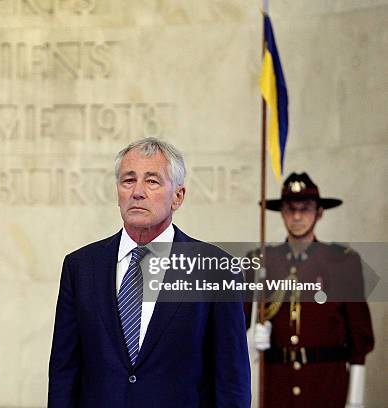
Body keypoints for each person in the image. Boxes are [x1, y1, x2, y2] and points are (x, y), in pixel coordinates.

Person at [48, 137, 251, 407]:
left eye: (152, 181)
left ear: (178, 196)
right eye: (128, 180)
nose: (137, 192)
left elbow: (232, 380)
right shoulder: (81, 267)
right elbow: (64, 372)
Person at [251, 172, 374, 407]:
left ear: (319, 211)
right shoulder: (261, 261)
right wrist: (251, 341)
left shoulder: (342, 262)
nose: (297, 216)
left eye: (305, 208)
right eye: (290, 208)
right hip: (277, 389)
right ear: (282, 212)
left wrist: (355, 402)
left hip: (326, 387)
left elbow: (360, 337)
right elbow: (237, 325)